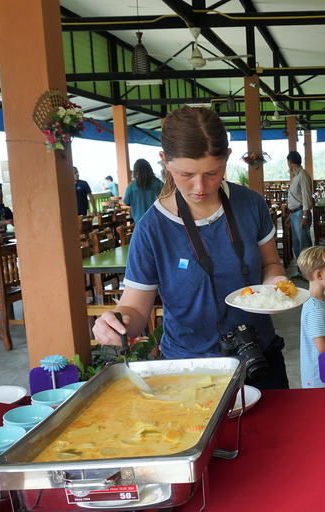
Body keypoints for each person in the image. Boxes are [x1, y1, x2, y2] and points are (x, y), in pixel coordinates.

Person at [92, 106, 290, 390]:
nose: (200, 186)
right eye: (186, 174)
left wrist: (275, 285)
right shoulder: (151, 229)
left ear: (227, 158)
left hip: (260, 359)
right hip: (189, 370)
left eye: (212, 172)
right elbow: (135, 308)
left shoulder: (250, 204)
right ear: (165, 162)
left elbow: (270, 264)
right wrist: (115, 322)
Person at [297, 246, 325, 389]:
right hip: (320, 377)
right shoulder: (315, 309)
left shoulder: (319, 299)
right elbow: (322, 347)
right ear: (319, 275)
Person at [285, 150, 313, 279]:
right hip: (295, 214)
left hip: (301, 213)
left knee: (305, 246)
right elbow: (296, 198)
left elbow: (306, 197)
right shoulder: (295, 176)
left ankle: (309, 274)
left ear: (290, 161)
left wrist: (305, 217)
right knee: (297, 246)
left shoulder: (303, 175)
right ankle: (301, 273)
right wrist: (290, 215)